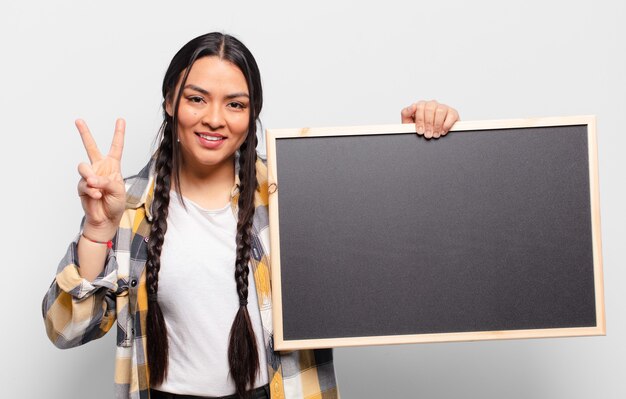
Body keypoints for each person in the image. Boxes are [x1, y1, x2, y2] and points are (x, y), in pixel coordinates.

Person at [42, 32, 460, 399]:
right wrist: (98, 229)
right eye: (196, 98)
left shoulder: (293, 193)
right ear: (170, 101)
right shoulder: (128, 204)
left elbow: (388, 253)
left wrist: (414, 147)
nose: (215, 119)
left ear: (252, 113)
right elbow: (67, 330)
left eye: (235, 104)